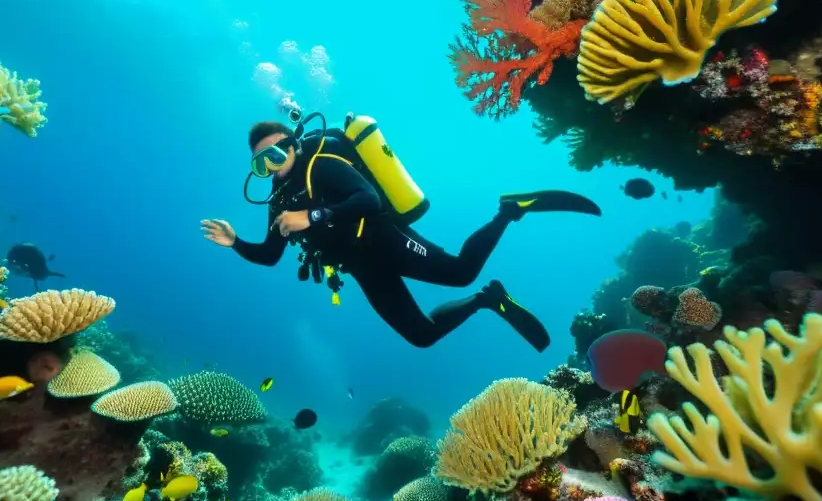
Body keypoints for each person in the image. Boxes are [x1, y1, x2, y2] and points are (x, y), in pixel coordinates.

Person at [201, 120, 601, 352]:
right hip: (361, 268)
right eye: (261, 161)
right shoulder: (277, 200)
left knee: (461, 272)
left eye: (277, 153)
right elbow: (270, 255)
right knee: (421, 336)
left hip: (385, 238)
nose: (272, 165)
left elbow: (368, 198)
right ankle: (488, 300)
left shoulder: (321, 165)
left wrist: (313, 214)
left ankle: (509, 210)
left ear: (293, 146)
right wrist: (236, 242)